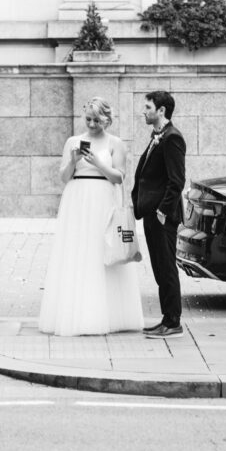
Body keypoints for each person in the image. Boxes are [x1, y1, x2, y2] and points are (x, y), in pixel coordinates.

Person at [38, 97, 144, 336]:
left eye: (97, 120)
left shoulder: (115, 143)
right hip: (77, 198)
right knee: (78, 251)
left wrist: (98, 163)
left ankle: (111, 314)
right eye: (88, 119)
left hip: (103, 198)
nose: (92, 124)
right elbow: (64, 177)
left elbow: (119, 177)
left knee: (102, 250)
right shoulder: (73, 142)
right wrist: (73, 161)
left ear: (107, 120)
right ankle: (77, 312)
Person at [132, 90, 186, 339]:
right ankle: (166, 318)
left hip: (162, 216)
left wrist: (163, 211)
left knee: (166, 268)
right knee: (159, 267)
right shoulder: (158, 136)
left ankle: (173, 322)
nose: (144, 111)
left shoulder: (172, 138)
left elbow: (177, 181)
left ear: (161, 110)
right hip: (152, 214)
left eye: (148, 107)